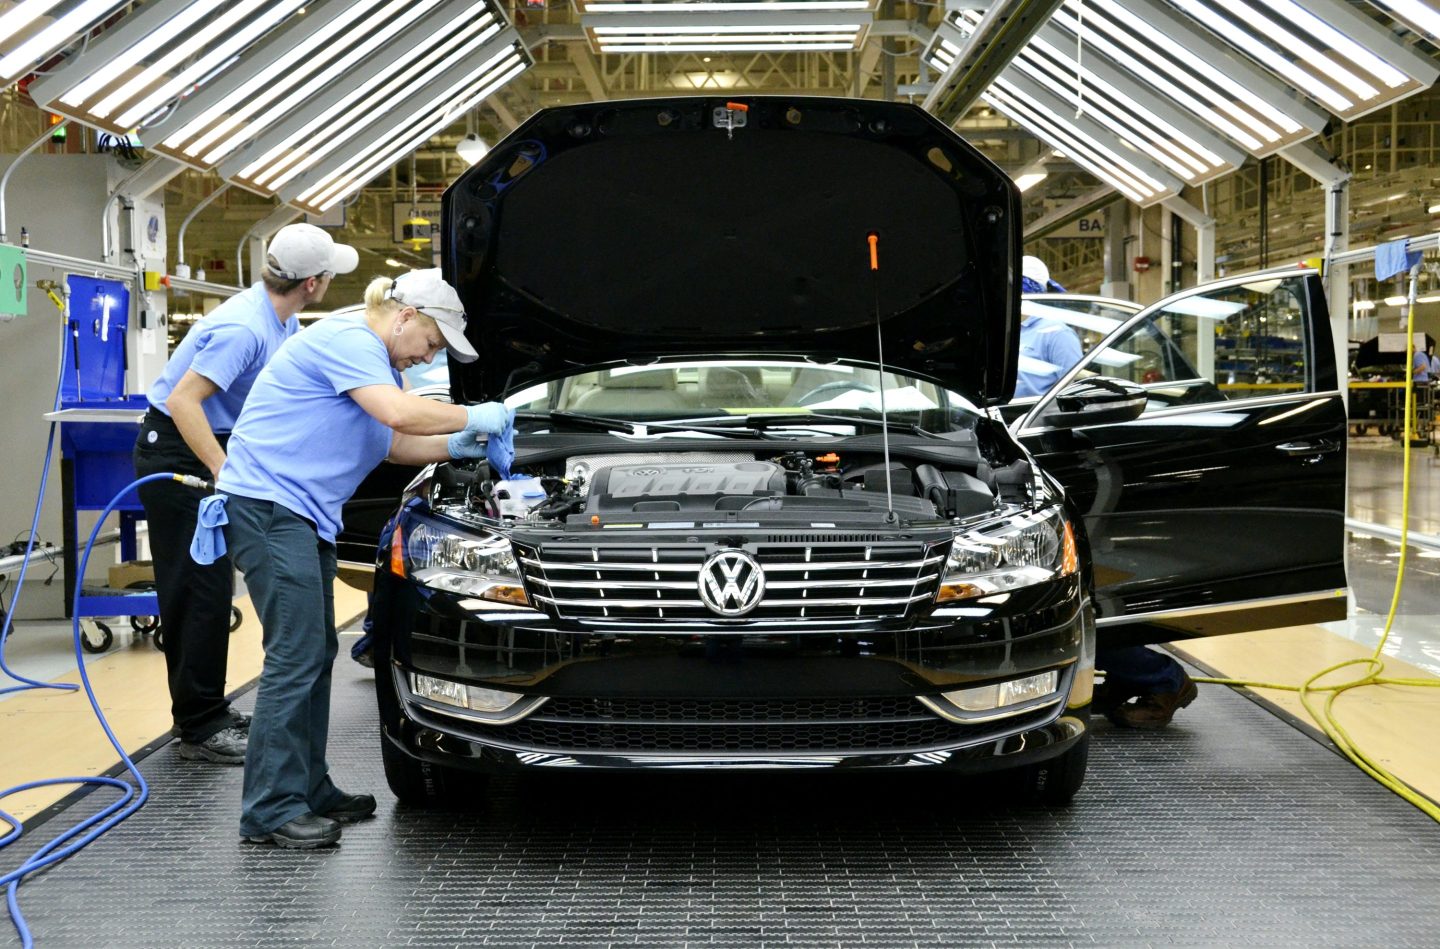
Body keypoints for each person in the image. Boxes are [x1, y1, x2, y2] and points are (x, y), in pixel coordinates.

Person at [212, 268, 512, 849]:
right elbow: (399, 414)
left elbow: (396, 444)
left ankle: (307, 787)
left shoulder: (373, 359)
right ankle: (270, 809)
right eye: (431, 342)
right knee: (294, 658)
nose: (428, 357)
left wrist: (457, 443)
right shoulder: (350, 340)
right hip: (271, 510)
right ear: (405, 316)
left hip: (299, 515)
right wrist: (476, 415)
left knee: (315, 653)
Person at [134, 223, 357, 765]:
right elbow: (187, 402)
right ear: (312, 283)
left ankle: (208, 709)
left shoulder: (280, 319)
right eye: (329, 274)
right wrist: (226, 471)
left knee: (215, 590)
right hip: (182, 453)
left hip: (211, 448)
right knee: (199, 593)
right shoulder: (244, 327)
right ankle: (199, 723)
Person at [1015, 256, 1084, 398]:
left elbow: (1073, 390)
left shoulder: (1058, 334)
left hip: (1033, 416)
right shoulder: (1006, 333)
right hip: (1001, 414)